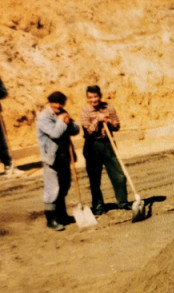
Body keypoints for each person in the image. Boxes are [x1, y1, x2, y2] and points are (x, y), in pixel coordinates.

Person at [81, 85, 128, 215]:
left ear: (100, 96)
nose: (93, 100)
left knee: (119, 176)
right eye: (90, 97)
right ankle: (98, 206)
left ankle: (123, 202)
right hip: (92, 145)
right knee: (94, 178)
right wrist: (97, 120)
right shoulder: (85, 111)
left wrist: (109, 121)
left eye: (95, 96)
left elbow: (117, 125)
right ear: (87, 98)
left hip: (108, 144)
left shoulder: (109, 107)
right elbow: (88, 131)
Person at [36, 91, 80, 231]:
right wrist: (62, 121)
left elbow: (75, 130)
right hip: (51, 158)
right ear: (49, 102)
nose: (58, 105)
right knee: (52, 189)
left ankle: (62, 215)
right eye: (55, 102)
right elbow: (55, 134)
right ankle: (51, 219)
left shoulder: (63, 112)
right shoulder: (44, 117)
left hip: (64, 156)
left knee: (64, 186)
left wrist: (69, 122)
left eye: (60, 103)